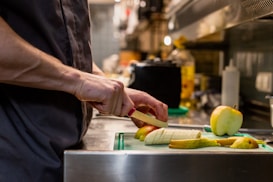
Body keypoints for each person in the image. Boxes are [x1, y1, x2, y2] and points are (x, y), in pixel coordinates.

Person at [0, 1, 168, 181]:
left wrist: (106, 85)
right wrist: (78, 81)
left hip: (68, 155)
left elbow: (64, 50)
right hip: (16, 161)